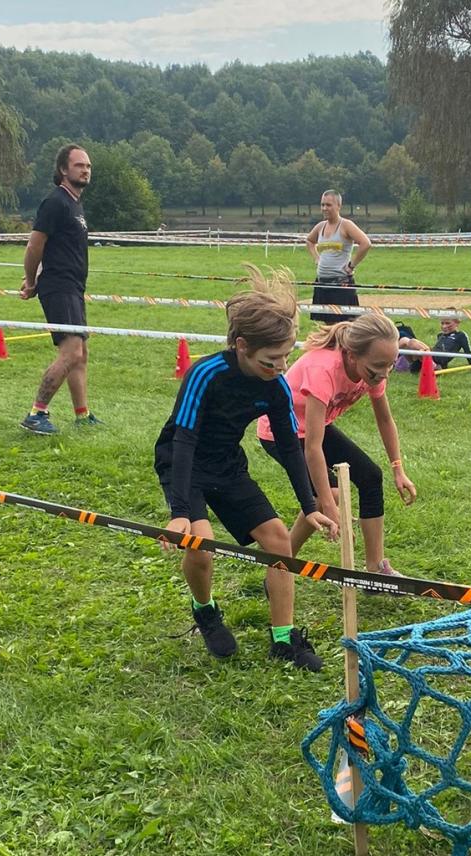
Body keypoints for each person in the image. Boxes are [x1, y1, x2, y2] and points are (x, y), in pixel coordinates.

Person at [155, 265, 338, 671]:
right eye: (272, 360)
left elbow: (291, 447)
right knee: (201, 548)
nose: (280, 367)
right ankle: (204, 610)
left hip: (226, 466)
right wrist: (181, 513)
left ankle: (284, 639)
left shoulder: (276, 385)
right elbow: (183, 440)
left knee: (278, 540)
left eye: (287, 357)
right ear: (241, 346)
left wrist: (309, 505)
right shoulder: (206, 373)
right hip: (181, 463)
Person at [257, 313, 417, 580]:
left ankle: (375, 569)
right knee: (324, 497)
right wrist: (331, 507)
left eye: (390, 365)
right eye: (378, 367)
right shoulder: (323, 370)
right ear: (352, 355)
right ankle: (281, 564)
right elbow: (312, 447)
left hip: (315, 427)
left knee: (370, 477)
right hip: (280, 432)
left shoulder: (374, 370)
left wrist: (398, 469)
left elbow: (385, 419)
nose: (383, 374)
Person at [18, 143, 101, 434]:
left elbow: (54, 247)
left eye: (88, 165)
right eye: (79, 165)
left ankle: (82, 414)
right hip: (60, 287)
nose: (85, 169)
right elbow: (35, 245)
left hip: (73, 287)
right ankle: (36, 414)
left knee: (81, 353)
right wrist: (31, 281)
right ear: (63, 170)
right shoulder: (55, 202)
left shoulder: (74, 203)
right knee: (70, 352)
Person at [305, 189, 371, 324]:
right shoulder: (320, 226)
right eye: (322, 205)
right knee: (328, 326)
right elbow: (309, 241)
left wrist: (352, 265)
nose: (324, 208)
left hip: (341, 284)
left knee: (345, 325)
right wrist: (316, 258)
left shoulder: (346, 225)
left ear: (338, 206)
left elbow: (365, 243)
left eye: (328, 205)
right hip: (322, 283)